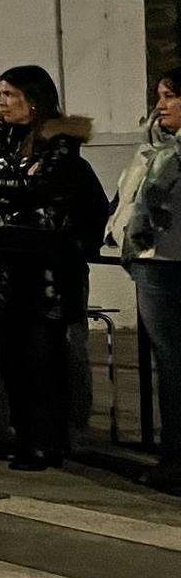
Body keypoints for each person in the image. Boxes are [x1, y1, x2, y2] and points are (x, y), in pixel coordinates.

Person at [0, 64, 95, 472]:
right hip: (4, 269)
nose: (1, 103)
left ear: (33, 100)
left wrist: (9, 188)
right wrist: (15, 187)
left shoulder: (60, 146)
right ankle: (24, 437)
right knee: (12, 359)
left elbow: (43, 190)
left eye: (9, 95)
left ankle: (48, 442)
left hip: (46, 274)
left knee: (46, 360)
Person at [112, 67, 181, 492]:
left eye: (171, 96)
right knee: (171, 366)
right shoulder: (153, 148)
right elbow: (128, 197)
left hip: (170, 259)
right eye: (160, 95)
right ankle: (173, 458)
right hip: (156, 262)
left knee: (175, 366)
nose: (161, 105)